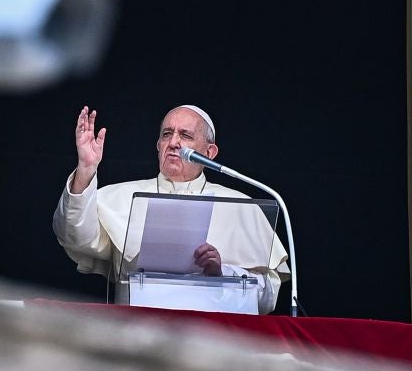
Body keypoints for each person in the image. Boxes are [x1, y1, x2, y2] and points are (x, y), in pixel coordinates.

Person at [52, 104, 289, 313]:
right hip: (136, 339)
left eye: (185, 135)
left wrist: (222, 273)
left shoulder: (240, 205)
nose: (174, 143)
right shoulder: (122, 196)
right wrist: (86, 168)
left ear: (210, 152)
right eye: (167, 134)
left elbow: (267, 298)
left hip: (214, 344)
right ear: (158, 145)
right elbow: (73, 236)